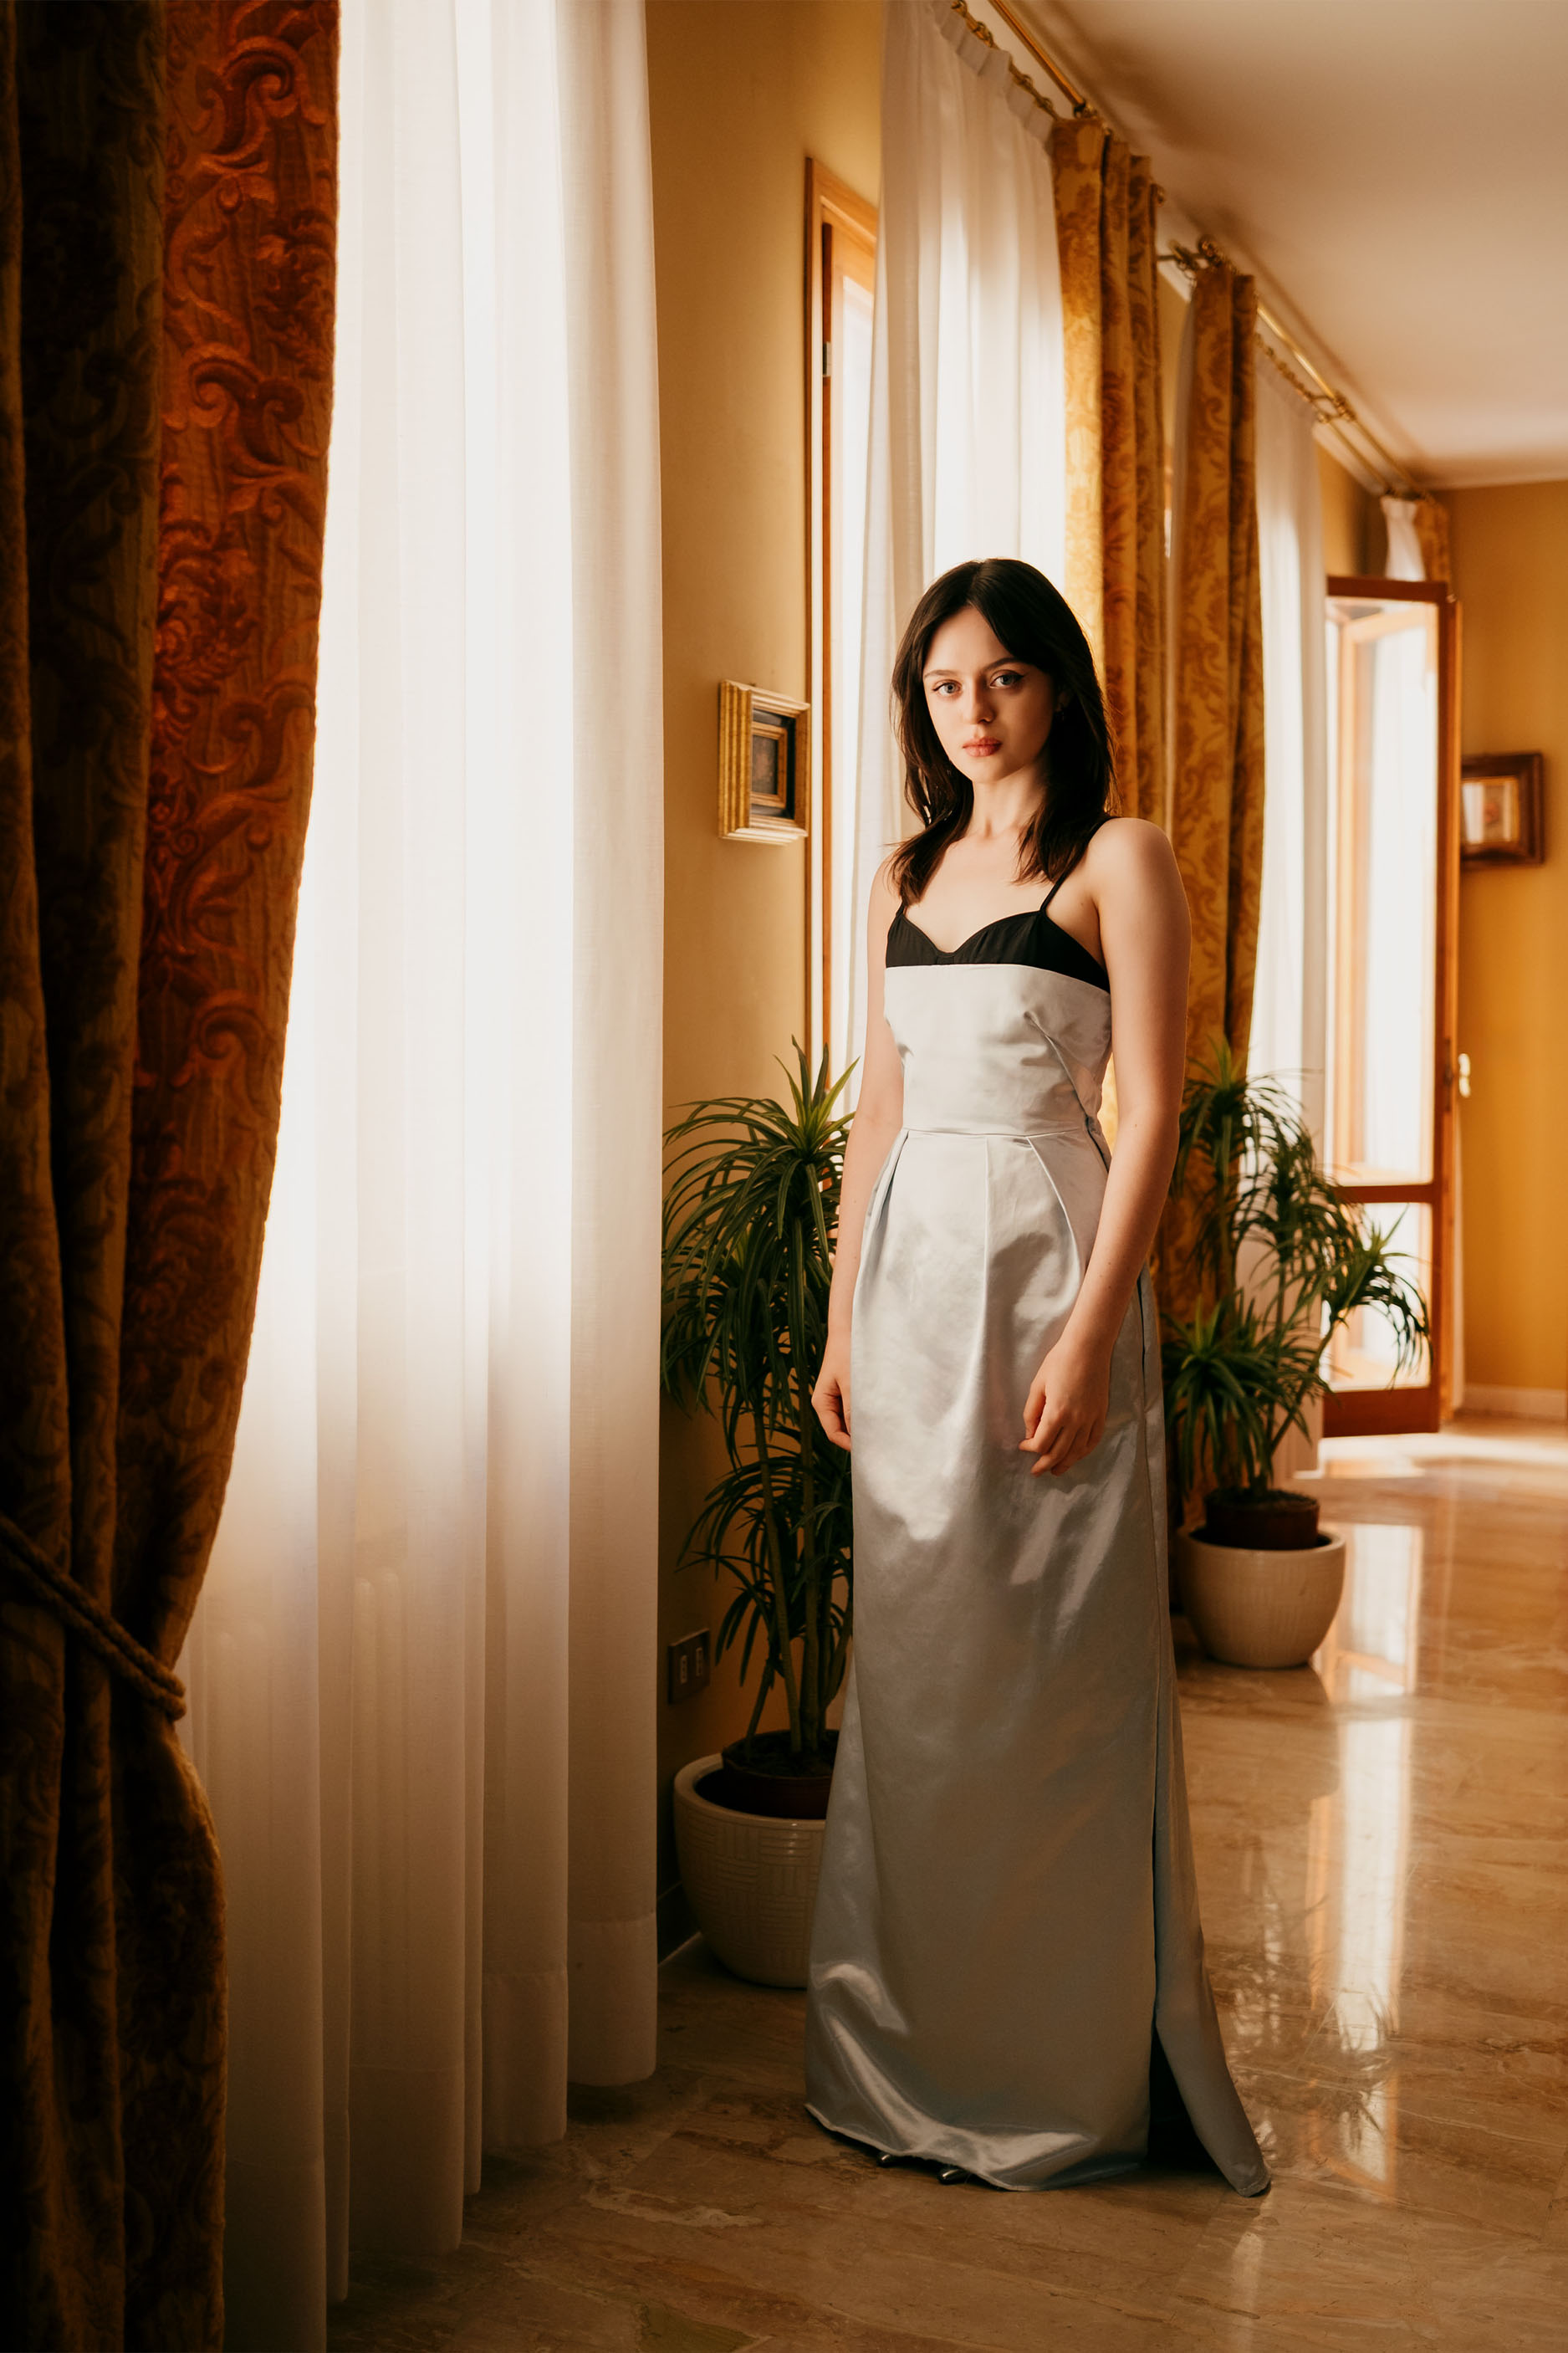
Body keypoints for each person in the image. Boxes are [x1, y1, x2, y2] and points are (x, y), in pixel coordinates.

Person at [804, 556, 1268, 2196]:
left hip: (1049, 1276)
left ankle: (1054, 2067)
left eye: (999, 677)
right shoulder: (899, 873)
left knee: (1050, 1670)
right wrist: (841, 1320)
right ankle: (907, 2044)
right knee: (924, 1664)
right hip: (913, 1285)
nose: (972, 709)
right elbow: (878, 1107)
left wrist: (1088, 1331)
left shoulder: (1114, 859)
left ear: (1054, 685)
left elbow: (1147, 1113)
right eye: (942, 685)